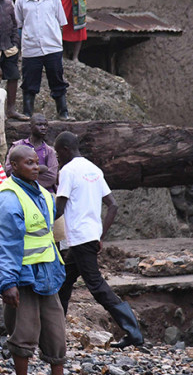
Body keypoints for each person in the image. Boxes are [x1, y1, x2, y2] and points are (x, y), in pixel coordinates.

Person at [0, 145, 67, 375]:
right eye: (29, 164)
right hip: (22, 275)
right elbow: (4, 244)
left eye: (36, 163)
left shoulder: (43, 192)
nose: (36, 167)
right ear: (14, 166)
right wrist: (7, 282)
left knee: (55, 327)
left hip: (46, 271)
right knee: (24, 331)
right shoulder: (7, 198)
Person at [54, 131, 143, 348]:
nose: (57, 158)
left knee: (96, 285)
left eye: (57, 154)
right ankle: (56, 330)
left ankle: (133, 332)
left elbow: (60, 207)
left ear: (65, 150)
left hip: (80, 239)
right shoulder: (94, 169)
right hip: (87, 238)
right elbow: (113, 204)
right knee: (64, 282)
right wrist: (100, 233)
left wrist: (39, 226)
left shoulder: (68, 171)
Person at [14, 0, 72, 120]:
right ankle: (27, 113)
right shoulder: (21, 0)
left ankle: (63, 112)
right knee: (29, 82)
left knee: (57, 79)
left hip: (52, 46)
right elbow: (19, 23)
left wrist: (56, 40)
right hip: (31, 48)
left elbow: (60, 21)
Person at [5, 113, 59, 192]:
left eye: (45, 125)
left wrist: (24, 175)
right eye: (39, 125)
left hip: (43, 192)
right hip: (20, 191)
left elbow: (51, 177)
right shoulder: (17, 146)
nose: (43, 128)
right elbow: (9, 170)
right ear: (30, 127)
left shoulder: (49, 151)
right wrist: (41, 169)